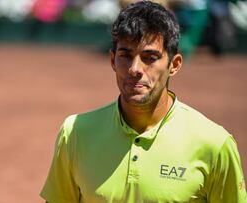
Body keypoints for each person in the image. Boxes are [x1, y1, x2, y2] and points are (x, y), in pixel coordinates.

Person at [40, 1, 247, 202]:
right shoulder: (75, 132)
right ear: (113, 60)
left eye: (150, 57)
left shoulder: (215, 144)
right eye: (125, 55)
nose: (135, 69)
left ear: (174, 65)